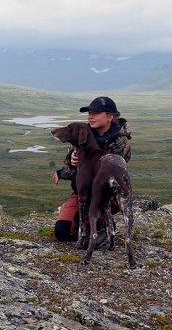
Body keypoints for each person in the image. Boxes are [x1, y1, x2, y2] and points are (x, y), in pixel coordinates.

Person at [52, 96, 132, 244]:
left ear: (110, 117)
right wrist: (71, 162)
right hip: (83, 193)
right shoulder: (82, 133)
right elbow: (70, 170)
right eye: (89, 113)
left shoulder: (120, 142)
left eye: (95, 113)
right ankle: (92, 224)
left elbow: (110, 174)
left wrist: (83, 163)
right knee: (62, 231)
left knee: (91, 235)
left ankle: (103, 225)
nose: (90, 116)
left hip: (107, 195)